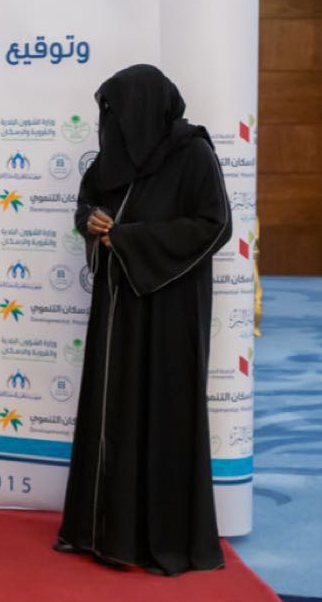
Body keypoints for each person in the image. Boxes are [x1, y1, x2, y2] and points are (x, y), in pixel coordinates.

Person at [56, 63, 231, 575]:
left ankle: (161, 541)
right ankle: (101, 532)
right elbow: (90, 201)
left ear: (145, 111)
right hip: (117, 309)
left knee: (162, 412)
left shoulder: (192, 153)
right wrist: (91, 222)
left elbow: (215, 224)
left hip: (170, 311)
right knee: (111, 410)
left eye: (118, 112)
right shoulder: (113, 157)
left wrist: (129, 238)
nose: (110, 123)